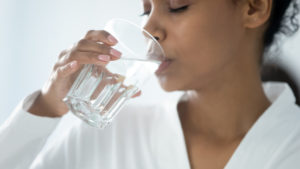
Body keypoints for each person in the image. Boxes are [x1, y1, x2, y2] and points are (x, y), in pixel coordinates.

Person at [1, 0, 300, 168]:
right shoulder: (109, 138)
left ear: (254, 7)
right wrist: (46, 106)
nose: (149, 30)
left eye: (177, 6)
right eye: (146, 10)